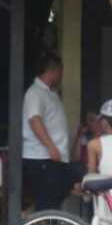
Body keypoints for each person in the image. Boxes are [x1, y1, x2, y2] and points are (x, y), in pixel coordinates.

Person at [22, 52, 72, 213]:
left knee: (53, 202)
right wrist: (50, 146)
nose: (62, 75)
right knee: (47, 205)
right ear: (53, 71)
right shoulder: (35, 92)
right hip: (43, 157)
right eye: (60, 71)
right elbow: (34, 119)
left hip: (53, 157)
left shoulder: (50, 92)